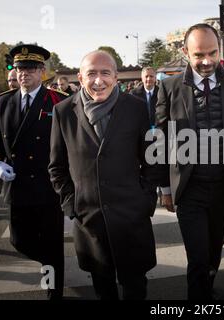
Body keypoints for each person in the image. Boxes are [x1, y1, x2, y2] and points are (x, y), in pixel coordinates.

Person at [155, 23, 224, 300]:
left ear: (220, 51)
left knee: (215, 250)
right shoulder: (169, 87)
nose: (206, 61)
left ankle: (208, 285)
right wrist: (164, 188)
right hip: (189, 188)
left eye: (212, 53)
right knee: (198, 258)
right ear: (185, 53)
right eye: (198, 55)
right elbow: (161, 139)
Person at [49, 50, 157, 300]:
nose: (99, 80)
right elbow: (56, 166)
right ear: (79, 77)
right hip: (89, 221)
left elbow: (152, 159)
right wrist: (72, 205)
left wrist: (145, 201)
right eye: (91, 74)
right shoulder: (63, 112)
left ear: (116, 77)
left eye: (105, 73)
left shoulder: (137, 108)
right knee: (103, 287)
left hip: (132, 217)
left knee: (135, 286)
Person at [0, 44, 67, 300]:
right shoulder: (3, 101)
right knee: (19, 241)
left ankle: (54, 290)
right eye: (19, 68)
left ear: (42, 71)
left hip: (47, 186)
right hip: (17, 186)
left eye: (30, 68)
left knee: (53, 244)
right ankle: (51, 262)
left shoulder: (58, 100)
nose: (24, 74)